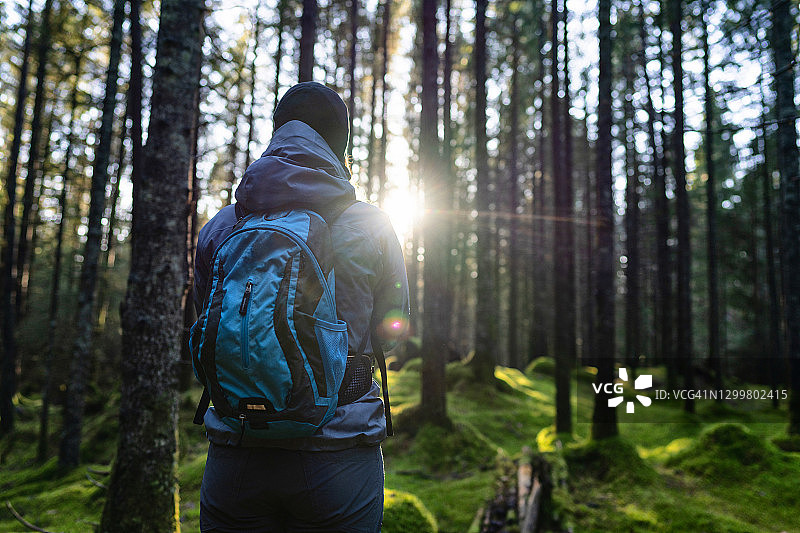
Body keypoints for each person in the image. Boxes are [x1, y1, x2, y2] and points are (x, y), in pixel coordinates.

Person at [194, 81, 410, 532]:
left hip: (236, 450)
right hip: (339, 450)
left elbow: (204, 322)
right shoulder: (369, 224)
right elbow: (392, 329)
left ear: (277, 135)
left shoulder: (222, 226)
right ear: (339, 146)